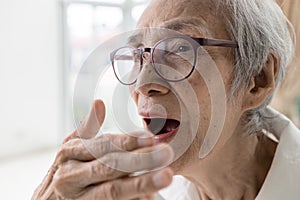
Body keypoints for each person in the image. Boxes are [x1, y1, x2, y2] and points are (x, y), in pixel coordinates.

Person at [33, 0, 300, 199]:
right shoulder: (131, 189)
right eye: (138, 54)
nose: (142, 84)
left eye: (181, 48)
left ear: (258, 78)